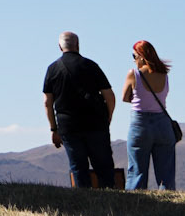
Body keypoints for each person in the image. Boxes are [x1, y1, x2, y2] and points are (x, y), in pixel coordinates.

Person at [43, 31, 116, 189]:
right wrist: (108, 118)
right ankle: (112, 200)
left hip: (68, 125)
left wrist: (53, 129)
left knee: (78, 167)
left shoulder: (53, 69)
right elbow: (109, 96)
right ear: (78, 45)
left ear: (59, 47)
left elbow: (47, 102)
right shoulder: (91, 66)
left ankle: (84, 203)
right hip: (96, 123)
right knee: (104, 167)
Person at [122, 40, 177, 192]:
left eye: (134, 56)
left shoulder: (134, 74)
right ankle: (169, 202)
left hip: (140, 124)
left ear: (141, 56)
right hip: (163, 125)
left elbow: (125, 97)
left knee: (137, 171)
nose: (133, 60)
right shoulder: (164, 75)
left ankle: (135, 205)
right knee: (166, 173)